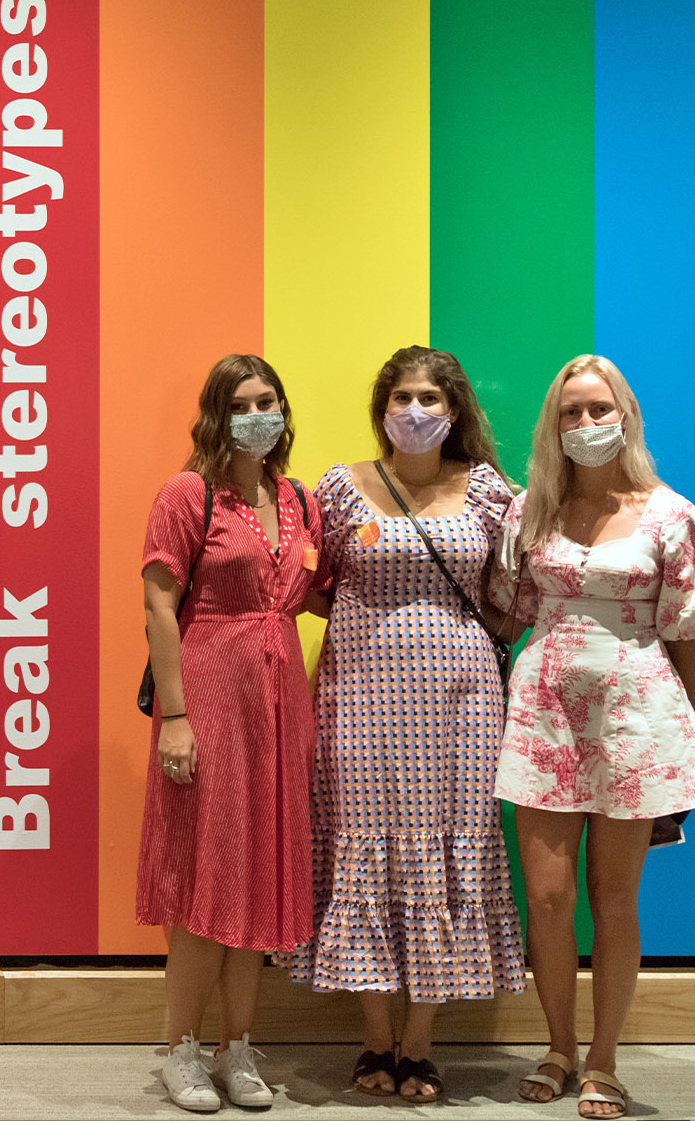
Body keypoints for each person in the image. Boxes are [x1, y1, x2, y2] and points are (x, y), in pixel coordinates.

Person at [291, 345, 527, 1104]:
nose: (416, 410)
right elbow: (311, 585)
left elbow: (511, 594)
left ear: (454, 410)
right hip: (358, 696)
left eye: (431, 397)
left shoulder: (490, 490)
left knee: (452, 846)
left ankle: (418, 1043)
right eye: (403, 397)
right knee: (363, 842)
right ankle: (373, 1037)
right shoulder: (340, 487)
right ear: (382, 407)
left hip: (462, 701)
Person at [489, 355, 695, 1120]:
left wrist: (675, 743)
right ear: (552, 426)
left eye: (599, 408)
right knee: (548, 899)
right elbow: (510, 608)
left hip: (636, 716)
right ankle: (555, 1046)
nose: (586, 424)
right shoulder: (530, 511)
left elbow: (685, 634)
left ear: (626, 414)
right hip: (545, 711)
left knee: (613, 899)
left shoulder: (670, 513)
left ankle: (605, 1060)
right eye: (571, 412)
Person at [137, 354, 322, 1113]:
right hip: (210, 695)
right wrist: (175, 715)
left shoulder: (299, 497)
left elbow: (317, 588)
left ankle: (237, 1047)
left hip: (280, 704)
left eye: (269, 400)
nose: (259, 413)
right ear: (218, 414)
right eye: (243, 402)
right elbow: (157, 604)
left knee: (263, 882)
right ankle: (180, 1047)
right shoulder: (189, 493)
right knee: (205, 880)